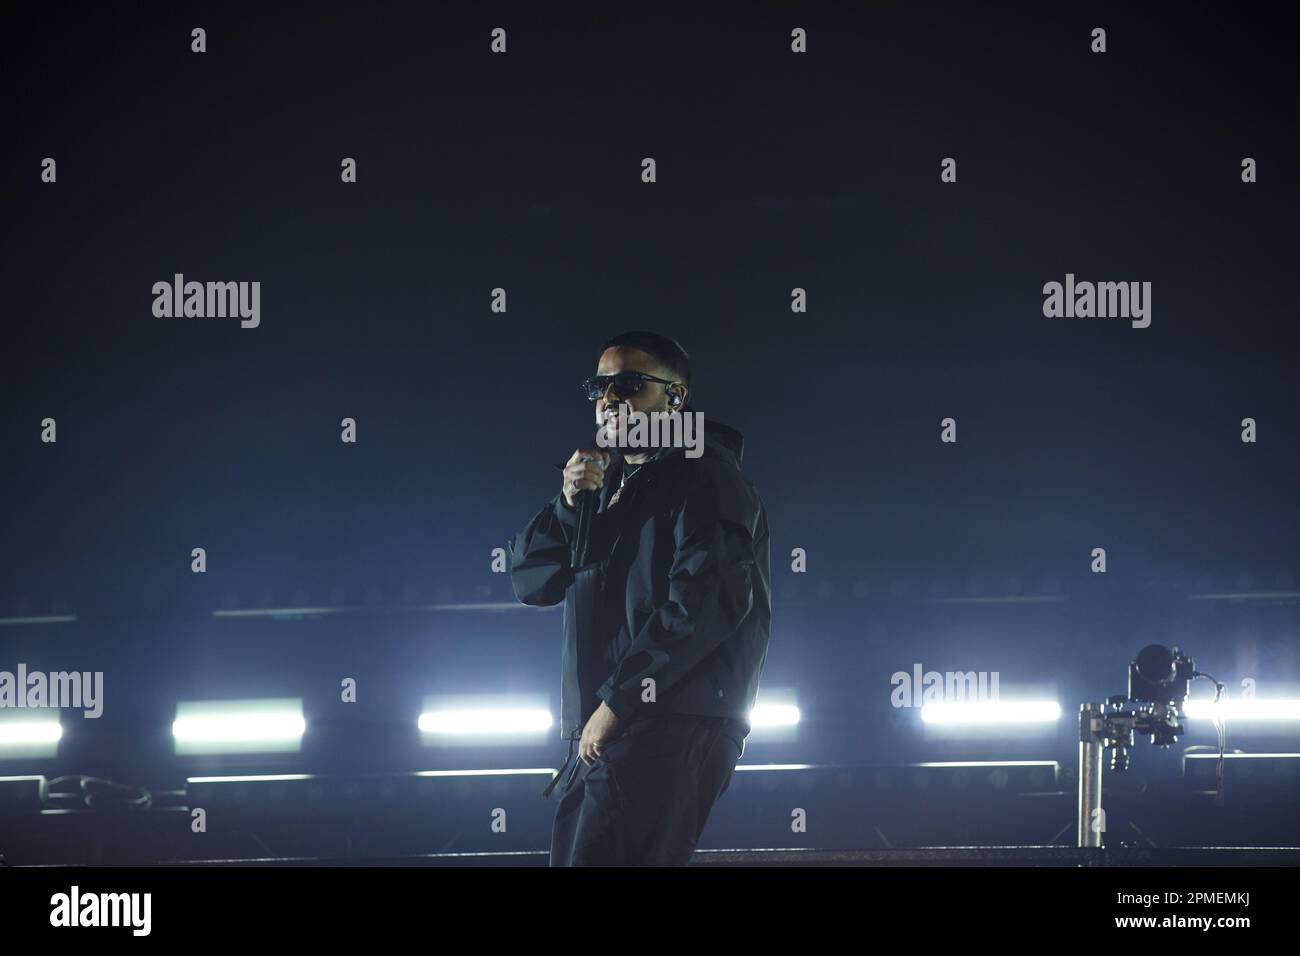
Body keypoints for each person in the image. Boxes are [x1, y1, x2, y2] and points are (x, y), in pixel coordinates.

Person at [510, 330, 772, 866]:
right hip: (608, 723)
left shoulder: (707, 476)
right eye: (600, 386)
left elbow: (705, 604)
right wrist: (567, 503)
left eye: (628, 384)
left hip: (671, 718)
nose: (608, 399)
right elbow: (530, 582)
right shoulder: (604, 486)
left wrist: (619, 702)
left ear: (674, 398)